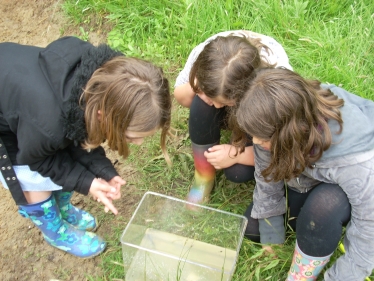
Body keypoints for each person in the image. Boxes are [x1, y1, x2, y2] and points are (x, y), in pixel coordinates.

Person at [0, 36, 171, 258]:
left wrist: (102, 171)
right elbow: (40, 159)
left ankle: (61, 208)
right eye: (132, 136)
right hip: (12, 130)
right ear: (103, 115)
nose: (138, 143)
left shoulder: (98, 84)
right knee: (33, 179)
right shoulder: (49, 125)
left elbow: (79, 135)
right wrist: (86, 182)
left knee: (59, 155)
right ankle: (53, 230)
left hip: (26, 110)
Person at [233, 67, 374, 280]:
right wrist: (272, 237)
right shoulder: (276, 121)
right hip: (310, 174)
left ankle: (301, 275)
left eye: (263, 140)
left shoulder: (355, 161)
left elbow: (369, 230)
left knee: (321, 211)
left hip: (357, 185)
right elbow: (266, 177)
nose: (256, 143)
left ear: (289, 133)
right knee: (253, 227)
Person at [174, 30, 293, 204]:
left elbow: (282, 146)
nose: (216, 107)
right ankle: (203, 176)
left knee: (238, 172)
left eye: (225, 103)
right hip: (229, 91)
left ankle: (242, 133)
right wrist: (201, 86)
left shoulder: (275, 87)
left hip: (256, 111)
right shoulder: (205, 56)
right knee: (201, 104)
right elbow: (181, 97)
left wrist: (238, 154)